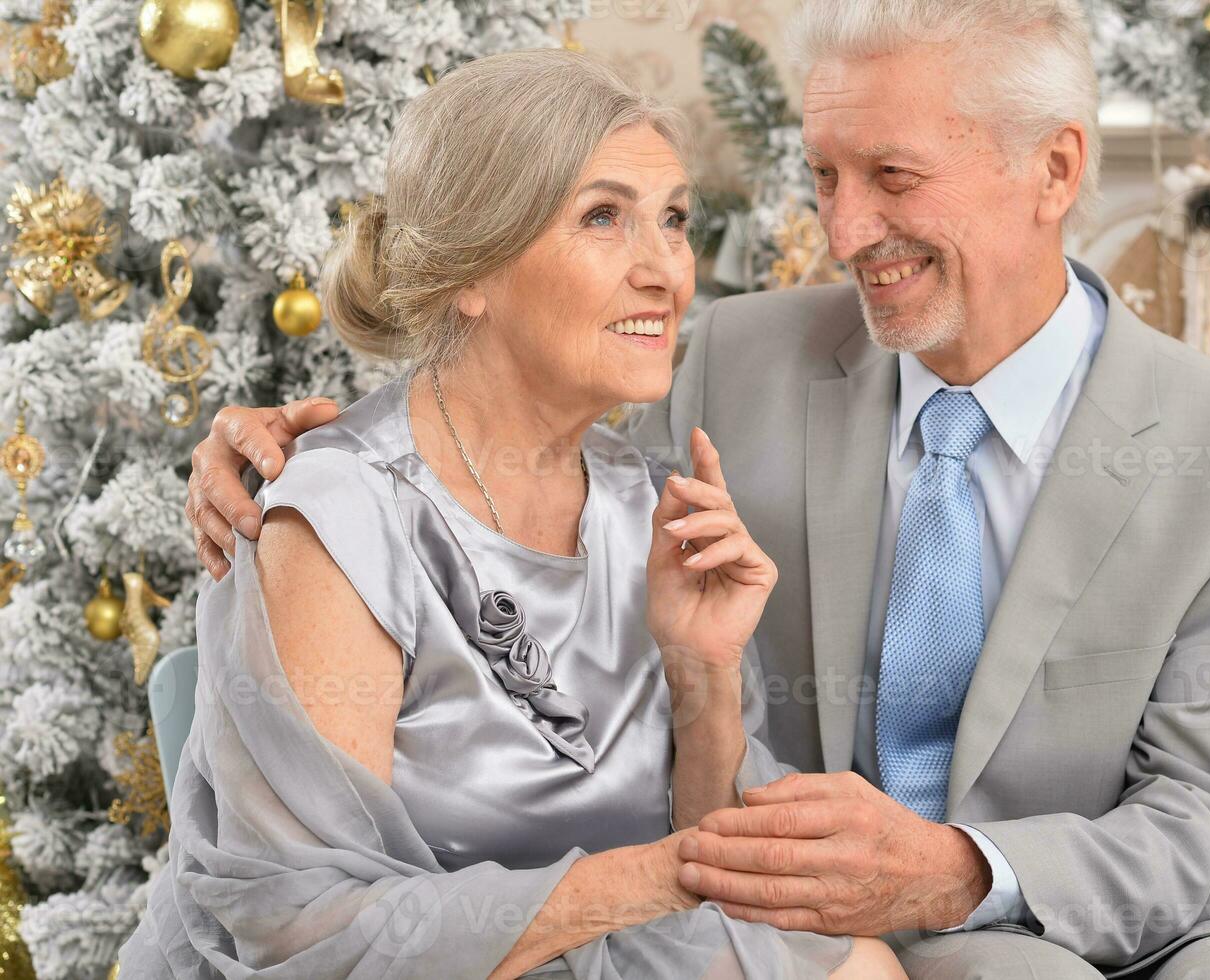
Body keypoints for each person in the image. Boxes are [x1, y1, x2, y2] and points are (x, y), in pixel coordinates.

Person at [186, 1, 1210, 977]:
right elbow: (484, 422)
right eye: (827, 177)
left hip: (1092, 908)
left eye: (892, 176)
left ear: (1055, 169)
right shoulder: (720, 359)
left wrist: (955, 872)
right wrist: (276, 444)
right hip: (785, 919)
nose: (843, 232)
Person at [119, 48, 906, 979]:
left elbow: (717, 870)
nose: (665, 270)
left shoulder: (645, 498)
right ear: (471, 271)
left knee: (852, 962)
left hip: (601, 951)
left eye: (675, 221)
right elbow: (309, 928)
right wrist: (651, 880)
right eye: (604, 218)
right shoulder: (343, 518)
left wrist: (703, 672)